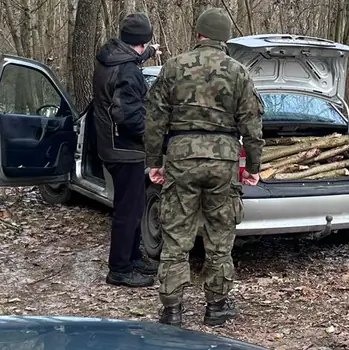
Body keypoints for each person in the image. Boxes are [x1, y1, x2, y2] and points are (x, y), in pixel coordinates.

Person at [143, 7, 264, 327]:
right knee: (220, 234)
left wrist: (154, 162)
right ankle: (217, 306)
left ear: (198, 34)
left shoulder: (172, 67)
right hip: (223, 161)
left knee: (176, 235)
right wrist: (252, 165)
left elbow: (154, 121)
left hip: (181, 159)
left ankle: (172, 309)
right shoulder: (238, 72)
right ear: (225, 39)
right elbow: (252, 125)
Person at [92, 12, 162, 288]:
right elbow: (129, 117)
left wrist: (149, 55)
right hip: (125, 149)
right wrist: (155, 139)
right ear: (142, 41)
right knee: (128, 210)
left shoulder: (110, 58)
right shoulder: (128, 71)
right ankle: (120, 268)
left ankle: (132, 258)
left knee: (131, 206)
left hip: (111, 144)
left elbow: (131, 60)